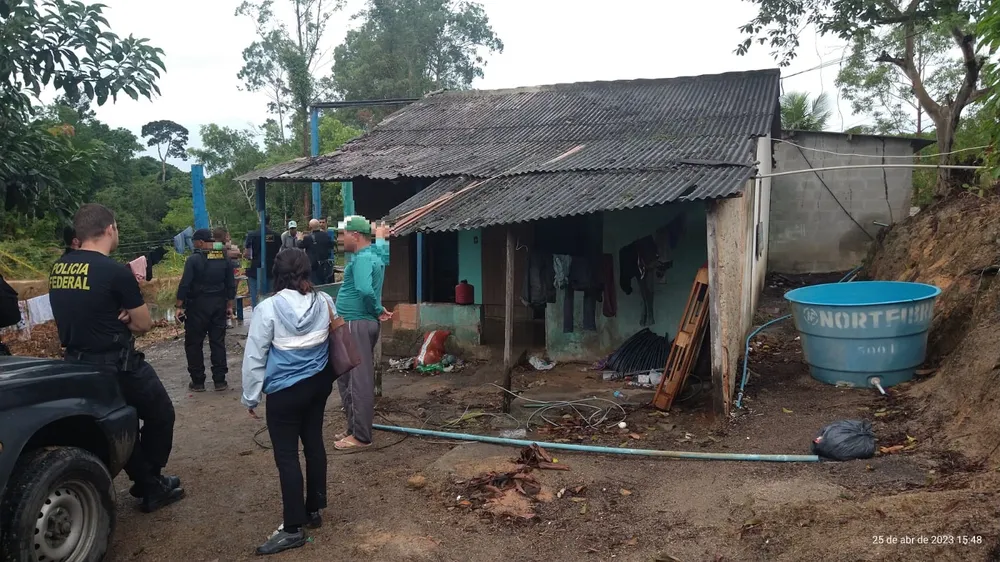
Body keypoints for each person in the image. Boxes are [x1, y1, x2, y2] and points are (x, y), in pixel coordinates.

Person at [48, 203, 184, 512]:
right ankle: (151, 483)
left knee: (119, 422)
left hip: (77, 364)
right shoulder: (113, 272)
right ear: (110, 229)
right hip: (118, 365)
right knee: (161, 414)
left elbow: (84, 307)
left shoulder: (60, 267)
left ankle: (148, 484)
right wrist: (124, 317)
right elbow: (143, 323)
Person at [241, 250, 337, 555]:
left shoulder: (267, 308)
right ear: (307, 271)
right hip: (318, 386)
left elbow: (255, 356)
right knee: (314, 443)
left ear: (277, 273)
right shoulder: (324, 301)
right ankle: (314, 510)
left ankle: (293, 528)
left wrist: (251, 395)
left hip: (284, 393)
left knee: (287, 456)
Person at [332, 215, 391, 451]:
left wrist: (376, 309)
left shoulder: (364, 259)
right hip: (353, 322)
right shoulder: (373, 255)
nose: (341, 239)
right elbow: (384, 256)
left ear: (355, 235)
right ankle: (353, 427)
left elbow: (365, 290)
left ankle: (362, 436)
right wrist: (382, 238)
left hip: (356, 322)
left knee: (358, 381)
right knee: (346, 378)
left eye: (343, 234)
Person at [176, 229, 235, 392]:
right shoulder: (224, 257)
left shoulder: (193, 260)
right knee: (218, 342)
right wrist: (229, 306)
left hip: (197, 307)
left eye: (194, 241)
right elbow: (230, 284)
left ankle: (198, 381)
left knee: (194, 343)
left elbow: (185, 284)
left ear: (200, 242)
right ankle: (220, 381)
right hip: (219, 305)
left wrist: (179, 306)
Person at [244, 214, 281, 308]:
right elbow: (279, 252)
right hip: (272, 269)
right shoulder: (276, 236)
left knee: (255, 296)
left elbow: (247, 254)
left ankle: (257, 316)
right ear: (270, 221)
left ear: (260, 220)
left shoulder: (252, 235)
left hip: (254, 269)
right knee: (271, 296)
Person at [297, 219, 334, 286]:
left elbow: (300, 246)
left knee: (315, 285)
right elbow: (331, 246)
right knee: (325, 283)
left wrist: (299, 238)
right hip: (325, 265)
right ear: (318, 226)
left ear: (310, 227)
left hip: (314, 267)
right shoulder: (326, 235)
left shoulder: (308, 238)